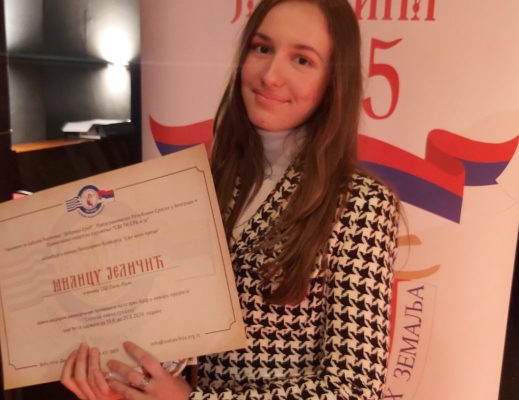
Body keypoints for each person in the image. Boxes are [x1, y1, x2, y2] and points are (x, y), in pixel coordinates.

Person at [61, 0, 400, 399]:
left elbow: (353, 389)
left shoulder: (362, 203)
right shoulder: (205, 184)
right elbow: (180, 337)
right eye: (263, 48)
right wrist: (123, 378)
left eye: (302, 60)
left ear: (334, 80)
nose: (271, 75)